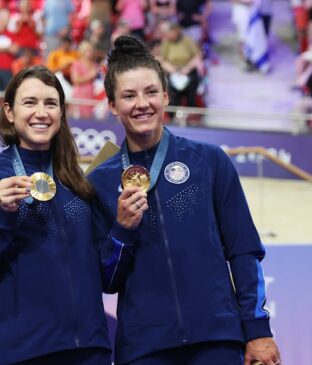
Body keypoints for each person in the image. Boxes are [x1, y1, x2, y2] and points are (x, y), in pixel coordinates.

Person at [87, 35, 281, 365]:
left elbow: (243, 249)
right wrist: (122, 230)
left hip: (216, 338)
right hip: (144, 347)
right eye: (129, 96)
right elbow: (106, 281)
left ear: (165, 95)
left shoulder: (209, 160)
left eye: (150, 92)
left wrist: (258, 329)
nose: (142, 103)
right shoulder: (100, 181)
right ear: (112, 105)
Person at [0, 65, 111, 365]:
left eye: (50, 103)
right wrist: (1, 218)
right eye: (30, 102)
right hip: (22, 351)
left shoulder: (78, 182)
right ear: (10, 111)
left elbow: (104, 271)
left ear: (61, 113)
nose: (41, 112)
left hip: (89, 348)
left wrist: (124, 229)